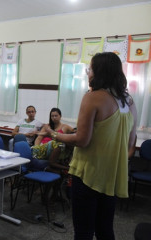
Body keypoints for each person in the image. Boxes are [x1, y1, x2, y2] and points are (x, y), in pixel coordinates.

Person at [46, 52, 137, 239]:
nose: (88, 73)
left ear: (99, 72)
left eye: (90, 69)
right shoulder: (129, 101)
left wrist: (55, 135)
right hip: (111, 175)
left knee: (84, 231)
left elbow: (82, 140)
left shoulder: (93, 97)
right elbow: (131, 142)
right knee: (105, 229)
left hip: (89, 174)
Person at [32, 108, 75, 172]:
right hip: (44, 147)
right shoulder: (47, 126)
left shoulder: (65, 127)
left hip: (57, 148)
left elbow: (74, 133)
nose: (54, 118)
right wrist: (37, 147)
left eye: (56, 116)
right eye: (52, 116)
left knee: (61, 144)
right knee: (56, 143)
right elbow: (39, 138)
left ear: (60, 116)